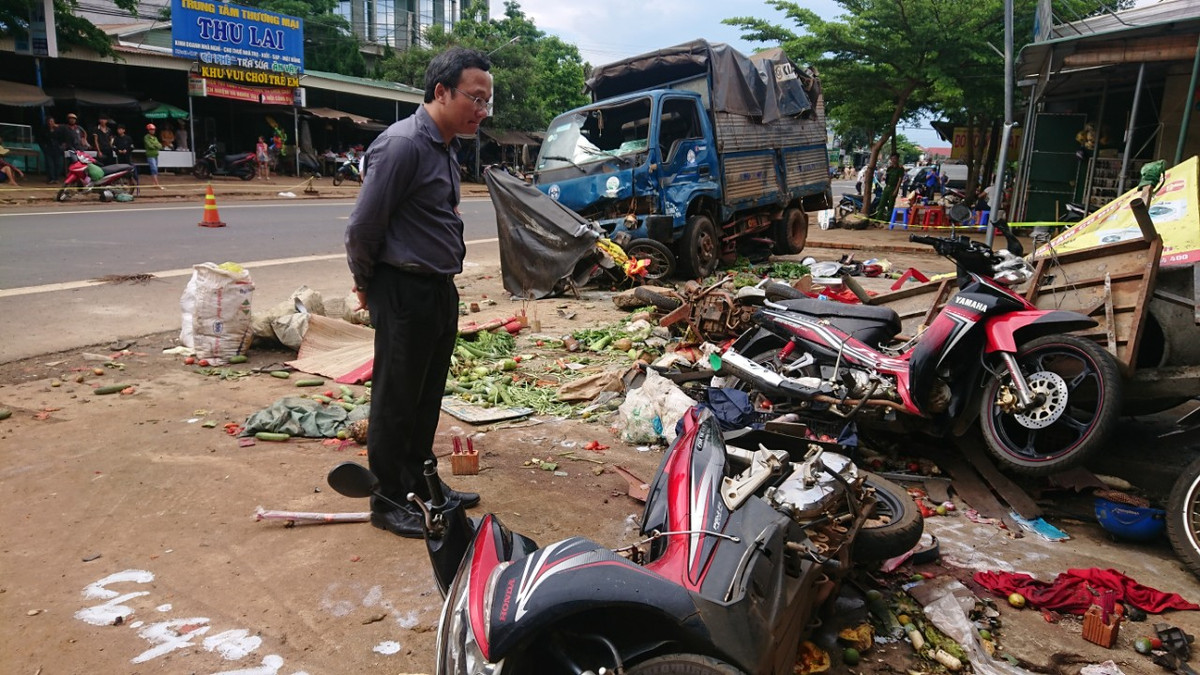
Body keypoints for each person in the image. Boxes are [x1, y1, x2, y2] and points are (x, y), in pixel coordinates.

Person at [344, 46, 492, 538]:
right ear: (441, 91)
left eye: (488, 101)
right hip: (402, 287)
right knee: (396, 397)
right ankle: (387, 500)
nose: (482, 110)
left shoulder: (446, 146)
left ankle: (422, 486)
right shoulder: (403, 144)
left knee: (426, 394)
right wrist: (366, 284)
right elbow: (363, 226)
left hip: (436, 287)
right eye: (475, 97)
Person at [872, 153, 904, 220]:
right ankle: (878, 218)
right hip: (887, 187)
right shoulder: (889, 168)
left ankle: (888, 219)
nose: (893, 160)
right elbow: (886, 177)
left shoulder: (900, 169)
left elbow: (900, 180)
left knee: (891, 205)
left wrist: (896, 190)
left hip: (893, 187)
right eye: (892, 159)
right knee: (882, 203)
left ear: (897, 159)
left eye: (894, 158)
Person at [42, 117, 66, 183]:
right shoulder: (45, 130)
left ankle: (56, 178)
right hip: (49, 149)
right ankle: (51, 178)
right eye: (49, 121)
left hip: (57, 149)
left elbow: (64, 134)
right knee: (50, 164)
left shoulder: (59, 129)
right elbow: (42, 139)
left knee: (58, 164)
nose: (50, 123)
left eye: (52, 121)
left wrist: (63, 145)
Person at [143, 123, 164, 190]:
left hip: (155, 154)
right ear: (148, 130)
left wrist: (155, 145)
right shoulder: (146, 137)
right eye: (151, 130)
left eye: (153, 130)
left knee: (155, 169)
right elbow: (150, 146)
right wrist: (156, 145)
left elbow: (160, 146)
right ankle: (157, 184)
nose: (152, 131)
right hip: (150, 155)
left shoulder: (155, 138)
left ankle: (154, 183)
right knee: (154, 168)